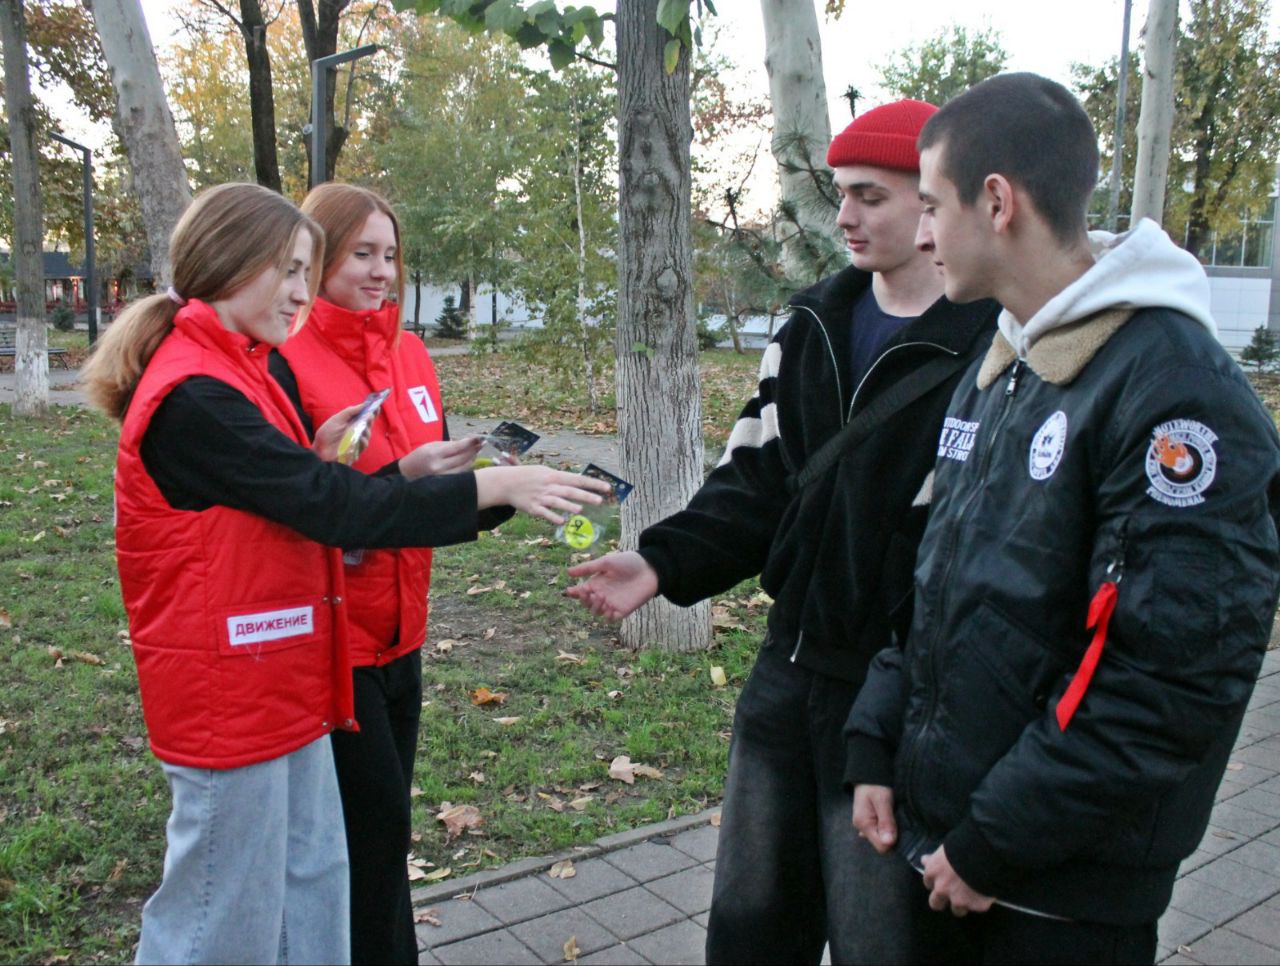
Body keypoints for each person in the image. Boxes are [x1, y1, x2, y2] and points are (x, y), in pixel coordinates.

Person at [80, 182, 610, 965]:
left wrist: (407, 470)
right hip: (236, 694)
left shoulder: (243, 367)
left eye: (306, 269)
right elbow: (331, 506)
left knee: (314, 885)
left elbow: (313, 497)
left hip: (293, 674)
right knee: (221, 915)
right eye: (291, 270)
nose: (300, 291)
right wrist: (487, 487)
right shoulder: (195, 391)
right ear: (229, 265)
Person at [846, 73, 1280, 964]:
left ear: (996, 201)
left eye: (930, 205)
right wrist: (876, 743)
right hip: (955, 854)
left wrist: (994, 840)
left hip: (1054, 899)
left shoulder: (1175, 392)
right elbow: (936, 574)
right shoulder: (1003, 360)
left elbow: (1166, 677)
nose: (921, 234)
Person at [567, 101, 999, 963]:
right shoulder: (809, 326)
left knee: (885, 935)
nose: (844, 216)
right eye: (839, 194)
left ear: (934, 204)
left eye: (870, 195)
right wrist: (661, 559)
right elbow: (755, 480)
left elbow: (961, 555)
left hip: (893, 702)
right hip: (784, 678)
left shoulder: (991, 351)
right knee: (753, 924)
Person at [269, 183, 495, 964]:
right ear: (319, 255)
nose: (381, 271)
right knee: (371, 836)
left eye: (391, 255)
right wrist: (406, 476)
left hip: (405, 636)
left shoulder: (409, 351)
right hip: (332, 639)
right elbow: (306, 508)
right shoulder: (285, 363)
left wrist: (482, 485)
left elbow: (413, 489)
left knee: (383, 830)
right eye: (362, 253)